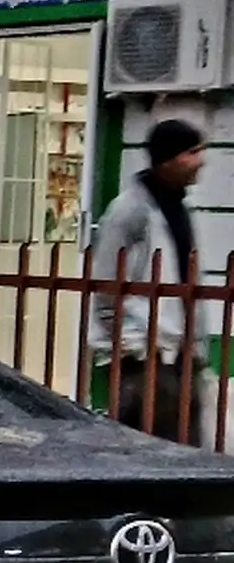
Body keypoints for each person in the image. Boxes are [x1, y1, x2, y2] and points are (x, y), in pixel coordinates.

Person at [88, 117, 207, 441]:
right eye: (192, 152)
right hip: (145, 359)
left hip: (178, 354)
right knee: (144, 451)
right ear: (168, 158)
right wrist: (132, 344)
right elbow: (105, 285)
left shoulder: (181, 207)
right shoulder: (129, 211)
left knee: (187, 453)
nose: (201, 160)